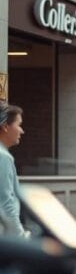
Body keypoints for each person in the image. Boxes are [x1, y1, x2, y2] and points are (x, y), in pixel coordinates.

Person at [0, 102, 26, 238]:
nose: (22, 131)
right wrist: (20, 237)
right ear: (5, 127)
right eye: (19, 125)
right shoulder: (3, 157)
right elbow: (5, 203)